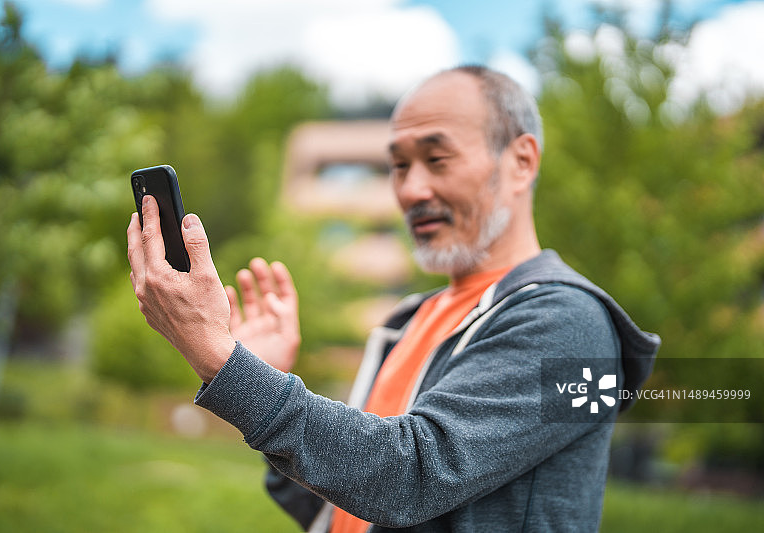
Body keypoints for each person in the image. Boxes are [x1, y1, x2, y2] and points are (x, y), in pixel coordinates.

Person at [127, 65, 660, 532]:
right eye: (399, 165)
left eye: (437, 158)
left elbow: (409, 479)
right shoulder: (411, 320)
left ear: (521, 162)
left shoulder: (571, 323)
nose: (410, 189)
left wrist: (223, 363)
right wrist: (263, 376)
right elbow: (349, 507)